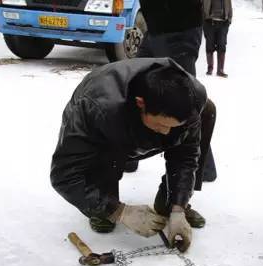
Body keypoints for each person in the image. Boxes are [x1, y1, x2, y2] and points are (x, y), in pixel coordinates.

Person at [50, 58, 214, 252]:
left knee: (208, 111)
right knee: (108, 160)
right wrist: (118, 211)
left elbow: (186, 156)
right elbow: (64, 175)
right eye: (161, 124)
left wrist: (178, 205)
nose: (166, 133)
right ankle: (103, 204)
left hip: (137, 120)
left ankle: (169, 203)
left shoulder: (193, 100)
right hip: (109, 127)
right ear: (141, 103)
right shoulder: (95, 107)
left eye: (173, 126)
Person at [126, 0, 218, 185]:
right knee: (133, 84)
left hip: (180, 29)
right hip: (155, 28)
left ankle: (200, 169)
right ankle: (128, 157)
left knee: (183, 99)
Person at [203, 0, 233, 78]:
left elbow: (230, 7)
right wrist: (204, 20)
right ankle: (210, 68)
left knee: (222, 46)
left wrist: (229, 20)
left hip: (223, 23)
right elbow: (202, 7)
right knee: (209, 46)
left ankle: (220, 70)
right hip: (210, 22)